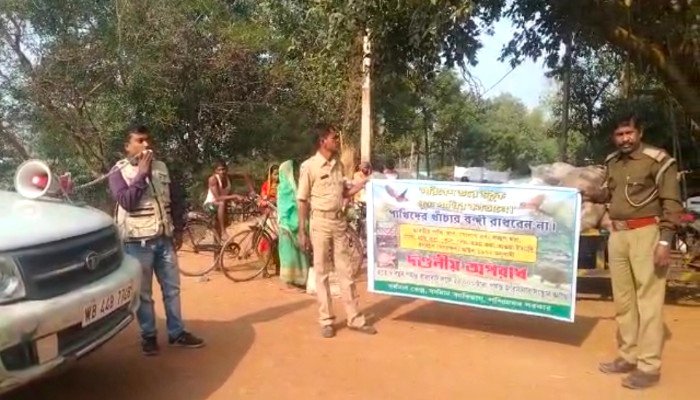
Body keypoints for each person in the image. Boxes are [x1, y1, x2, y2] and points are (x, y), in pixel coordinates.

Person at [598, 113, 683, 390]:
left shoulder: (658, 160)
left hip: (647, 234)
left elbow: (672, 204)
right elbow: (607, 196)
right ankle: (628, 356)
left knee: (649, 302)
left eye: (629, 133)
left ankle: (649, 367)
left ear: (640, 133)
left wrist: (665, 241)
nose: (625, 139)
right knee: (623, 301)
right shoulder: (612, 162)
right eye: (619, 134)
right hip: (618, 235)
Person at [109, 124, 205, 356]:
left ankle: (177, 333)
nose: (146, 145)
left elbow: (175, 200)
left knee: (172, 290)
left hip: (164, 239)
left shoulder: (161, 167)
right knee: (143, 294)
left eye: (148, 140)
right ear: (127, 146)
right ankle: (149, 336)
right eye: (140, 140)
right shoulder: (118, 171)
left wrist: (178, 230)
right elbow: (127, 202)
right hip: (137, 243)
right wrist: (141, 174)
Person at [297, 123, 377, 338]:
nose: (337, 141)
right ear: (322, 141)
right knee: (322, 272)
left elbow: (344, 193)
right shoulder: (309, 167)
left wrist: (364, 183)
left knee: (346, 272)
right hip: (320, 223)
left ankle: (355, 318)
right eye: (334, 138)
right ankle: (326, 320)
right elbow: (302, 200)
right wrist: (302, 231)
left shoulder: (339, 165)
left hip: (339, 222)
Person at [277, 159, 309, 290]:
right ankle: (289, 282)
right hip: (287, 224)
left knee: (297, 253)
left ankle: (298, 280)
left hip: (294, 223)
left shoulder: (292, 186)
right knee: (289, 254)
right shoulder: (285, 187)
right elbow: (285, 207)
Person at [203, 160, 247, 242]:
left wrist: (251, 191)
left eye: (223, 169)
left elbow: (244, 175)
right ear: (215, 171)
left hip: (222, 205)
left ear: (226, 169)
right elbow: (218, 198)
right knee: (221, 203)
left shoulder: (228, 178)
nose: (222, 172)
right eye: (219, 170)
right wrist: (235, 196)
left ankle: (219, 243)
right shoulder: (213, 179)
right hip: (210, 204)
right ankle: (223, 232)